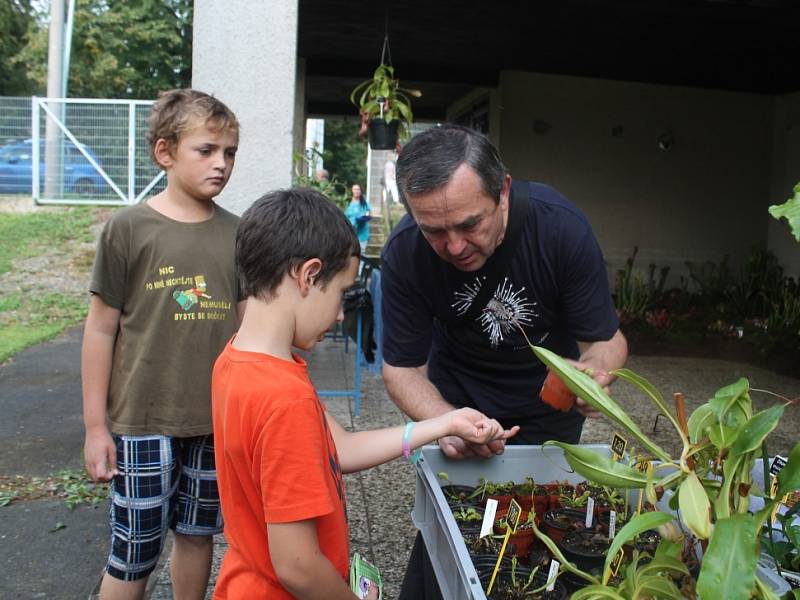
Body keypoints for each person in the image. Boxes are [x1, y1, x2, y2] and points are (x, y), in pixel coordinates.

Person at [210, 188, 518, 599]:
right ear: (308, 275)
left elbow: (341, 447)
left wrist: (444, 422)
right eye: (341, 293)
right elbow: (298, 567)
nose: (339, 314)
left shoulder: (236, 361)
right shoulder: (284, 398)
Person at [379, 124, 628, 598]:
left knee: (544, 540)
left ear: (504, 191)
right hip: (455, 405)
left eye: (470, 224)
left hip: (546, 415)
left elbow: (606, 340)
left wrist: (595, 374)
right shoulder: (407, 251)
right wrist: (444, 421)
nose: (453, 247)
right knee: (456, 532)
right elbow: (402, 370)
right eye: (434, 230)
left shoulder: (559, 229)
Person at [82, 89, 245, 600]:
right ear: (165, 152)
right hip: (141, 421)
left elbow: (246, 330)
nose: (221, 164)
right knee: (134, 551)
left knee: (198, 537)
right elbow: (100, 329)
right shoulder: (127, 230)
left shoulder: (240, 235)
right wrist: (94, 428)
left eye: (230, 153)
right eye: (207, 150)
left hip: (214, 421)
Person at [344, 183, 371, 253]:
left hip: (362, 233)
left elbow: (368, 213)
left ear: (360, 191)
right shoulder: (347, 203)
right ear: (352, 191)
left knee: (362, 253)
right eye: (355, 189)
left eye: (358, 189)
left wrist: (365, 217)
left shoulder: (364, 203)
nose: (357, 191)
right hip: (350, 233)